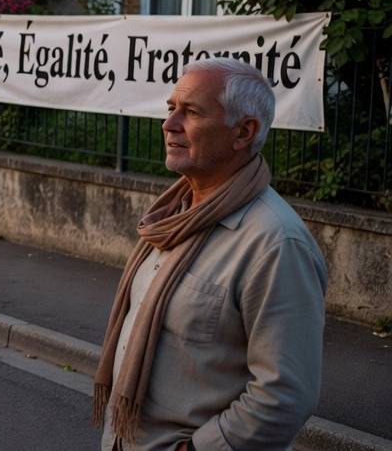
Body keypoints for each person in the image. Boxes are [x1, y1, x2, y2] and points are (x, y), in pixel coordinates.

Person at [93, 57, 327, 451]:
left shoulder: (276, 242)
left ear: (244, 132)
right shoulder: (173, 216)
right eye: (171, 108)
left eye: (191, 112)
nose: (169, 124)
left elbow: (284, 395)